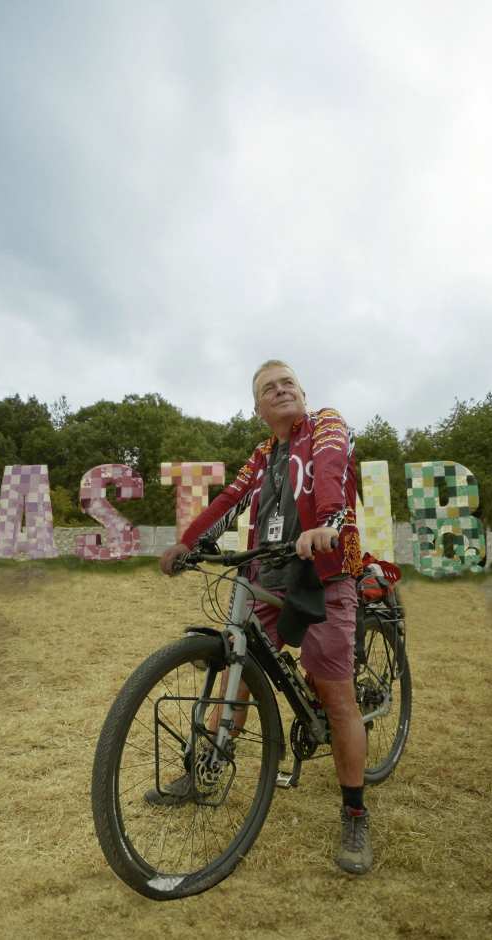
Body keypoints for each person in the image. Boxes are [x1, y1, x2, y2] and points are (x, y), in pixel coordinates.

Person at [158, 359, 372, 875]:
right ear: (258, 410)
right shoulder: (262, 453)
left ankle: (355, 814)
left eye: (287, 384)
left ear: (302, 393)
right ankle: (203, 769)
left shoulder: (325, 424)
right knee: (239, 667)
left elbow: (329, 469)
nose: (280, 392)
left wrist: (324, 524)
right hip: (270, 571)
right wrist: (189, 541)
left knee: (336, 696)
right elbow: (233, 497)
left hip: (325, 570)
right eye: (268, 390)